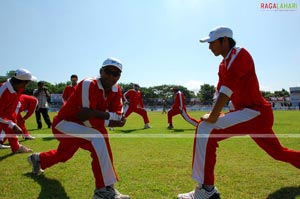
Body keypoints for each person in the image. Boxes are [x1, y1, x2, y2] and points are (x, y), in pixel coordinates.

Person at [177, 26, 300, 199]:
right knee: (278, 153)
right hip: (252, 115)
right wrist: (216, 112)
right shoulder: (223, 64)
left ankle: (207, 190)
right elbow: (219, 91)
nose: (209, 46)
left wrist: (213, 116)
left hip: (255, 113)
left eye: (212, 42)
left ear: (225, 40)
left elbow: (227, 88)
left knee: (206, 128)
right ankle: (206, 189)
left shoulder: (240, 54)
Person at [28, 57, 130, 199]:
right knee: (99, 137)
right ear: (101, 71)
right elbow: (86, 118)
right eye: (108, 71)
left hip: (82, 126)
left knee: (64, 155)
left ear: (120, 76)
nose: (111, 76)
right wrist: (108, 119)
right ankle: (103, 189)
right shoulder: (89, 84)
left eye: (116, 74)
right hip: (64, 124)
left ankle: (38, 159)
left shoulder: (116, 88)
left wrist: (98, 114)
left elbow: (117, 115)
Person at [0, 68, 36, 153]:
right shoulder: (2, 91)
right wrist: (12, 124)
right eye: (28, 82)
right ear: (24, 82)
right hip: (2, 113)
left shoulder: (19, 87)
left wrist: (12, 120)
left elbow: (14, 103)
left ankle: (16, 148)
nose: (27, 85)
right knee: (10, 127)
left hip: (8, 113)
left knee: (11, 128)